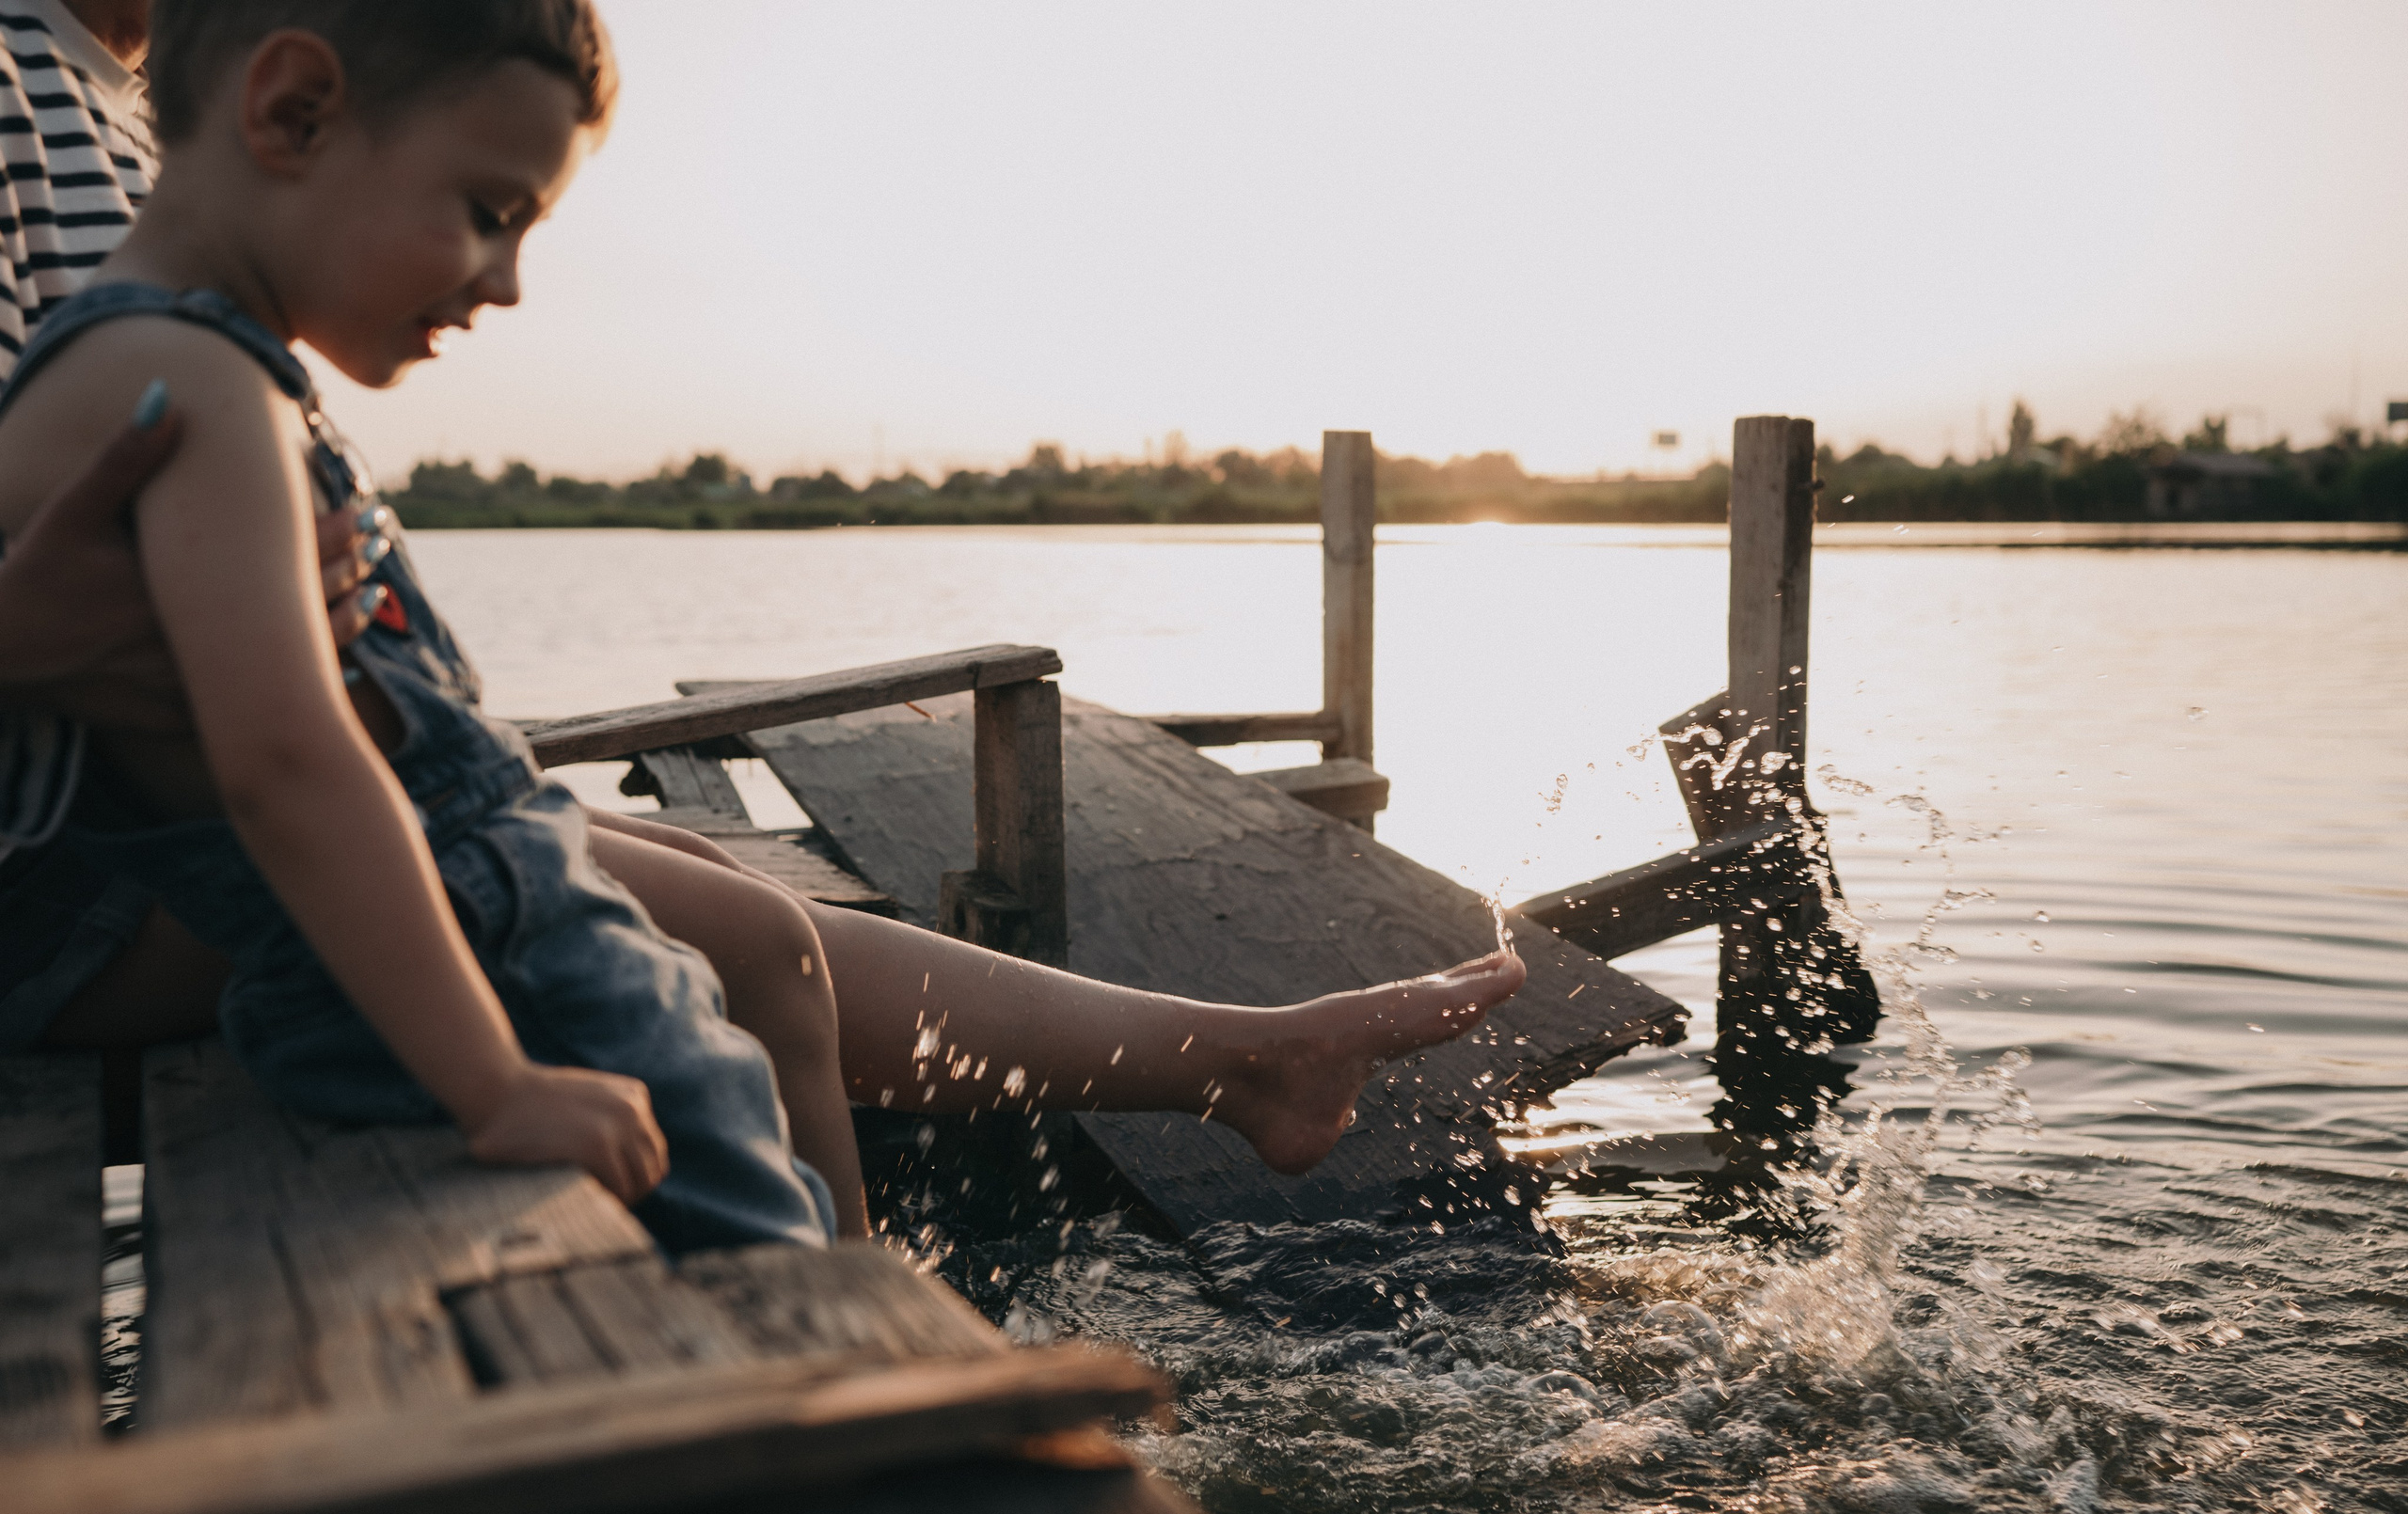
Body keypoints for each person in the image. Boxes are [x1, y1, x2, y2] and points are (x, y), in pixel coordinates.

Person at [0, 0, 1527, 1245]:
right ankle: (852, 1362)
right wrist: (493, 1079)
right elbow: (291, 765)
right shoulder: (188, 359)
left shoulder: (180, 284)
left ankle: (1088, 1175)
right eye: (487, 215)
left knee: (733, 913)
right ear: (289, 115)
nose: (509, 284)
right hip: (128, 892)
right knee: (736, 1010)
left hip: (275, 844)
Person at [0, 0, 381, 1049]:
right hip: (57, 875)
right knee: (748, 951)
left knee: (725, 897)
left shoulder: (154, 125)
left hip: (173, 818)